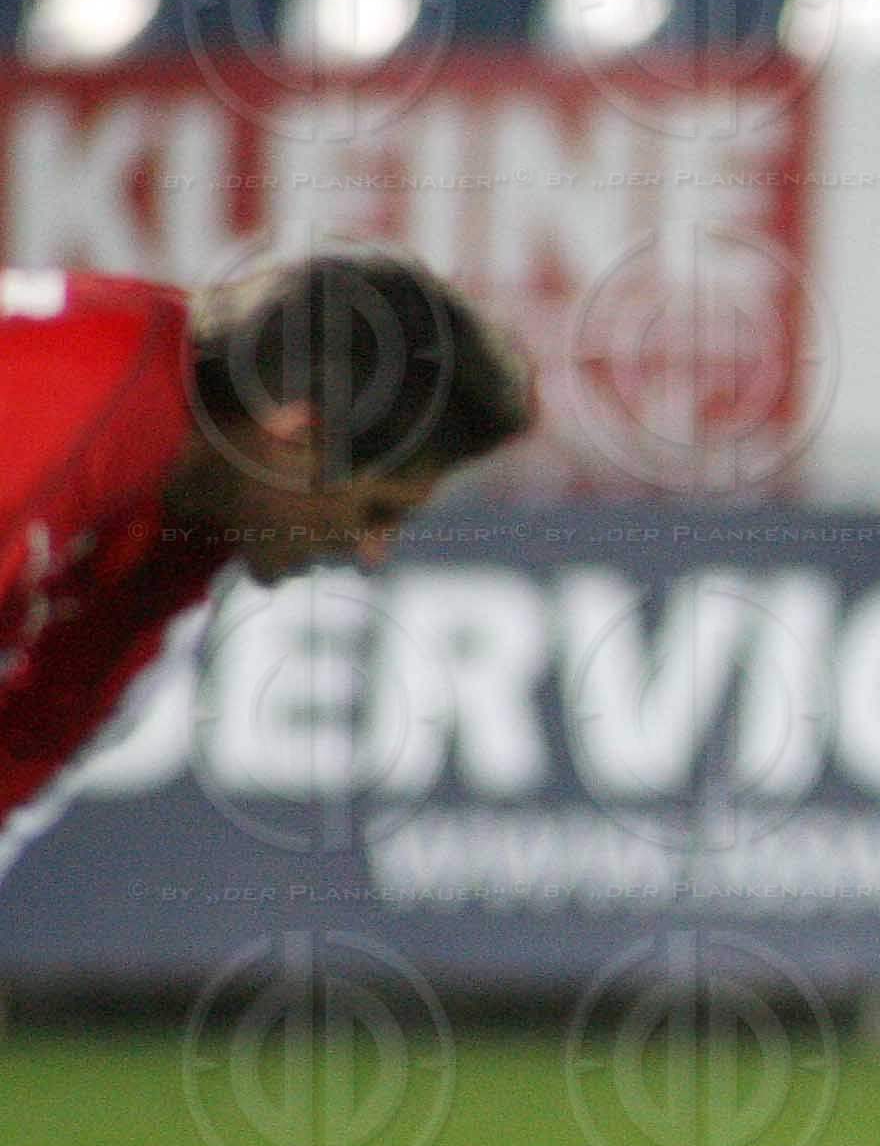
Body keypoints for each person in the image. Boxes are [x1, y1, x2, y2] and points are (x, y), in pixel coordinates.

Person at [0, 255, 533, 826]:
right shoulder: (75, 409)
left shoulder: (181, 527)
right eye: (377, 510)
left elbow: (24, 756)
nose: (371, 549)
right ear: (297, 439)